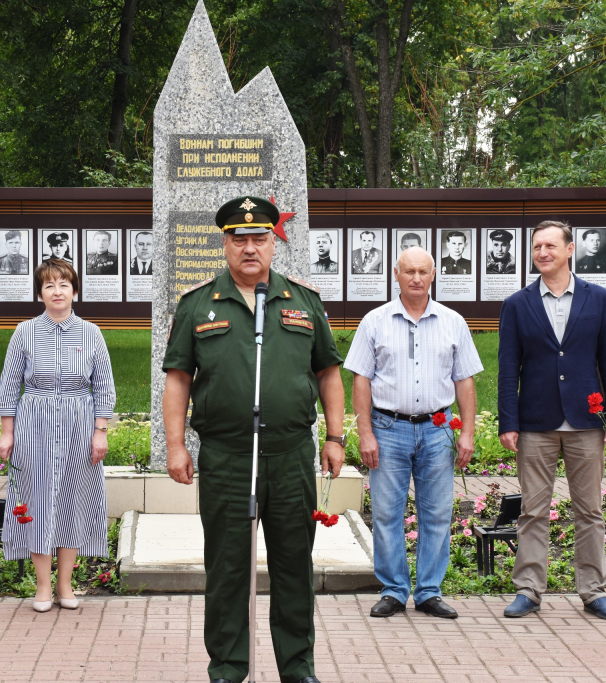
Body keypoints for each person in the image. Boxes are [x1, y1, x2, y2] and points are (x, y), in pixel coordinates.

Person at [163, 195, 345, 683]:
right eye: (239, 239)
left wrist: (334, 436)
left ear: (273, 243)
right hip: (227, 458)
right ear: (224, 244)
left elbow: (328, 371)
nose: (249, 248)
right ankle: (227, 667)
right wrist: (176, 445)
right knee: (227, 570)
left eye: (259, 238)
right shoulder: (198, 303)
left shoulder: (303, 301)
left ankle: (297, 667)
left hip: (288, 457)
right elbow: (179, 378)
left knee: (293, 567)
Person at [498, 220, 606, 621]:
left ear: (570, 250)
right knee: (533, 510)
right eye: (537, 246)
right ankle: (529, 590)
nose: (543, 252)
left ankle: (593, 591)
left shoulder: (598, 299)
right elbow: (507, 368)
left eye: (551, 245)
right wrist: (508, 421)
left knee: (589, 510)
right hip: (536, 422)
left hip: (587, 422)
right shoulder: (517, 304)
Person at [345, 246, 482, 620]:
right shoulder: (374, 321)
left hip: (438, 430)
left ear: (433, 274)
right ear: (396, 274)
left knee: (436, 514)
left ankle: (429, 592)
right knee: (387, 513)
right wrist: (366, 433)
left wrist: (466, 432)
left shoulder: (453, 322)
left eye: (423, 271)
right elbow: (360, 380)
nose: (416, 278)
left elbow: (465, 381)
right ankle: (392, 590)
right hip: (388, 429)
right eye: (409, 271)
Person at [0, 259, 115, 613]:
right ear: (40, 293)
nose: (57, 291)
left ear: (75, 290)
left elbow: (105, 387)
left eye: (64, 284)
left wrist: (100, 432)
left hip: (80, 420)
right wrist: (7, 432)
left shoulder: (92, 333)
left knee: (71, 502)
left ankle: (66, 584)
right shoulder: (24, 332)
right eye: (49, 285)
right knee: (35, 501)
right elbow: (8, 385)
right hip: (35, 420)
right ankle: (43, 586)